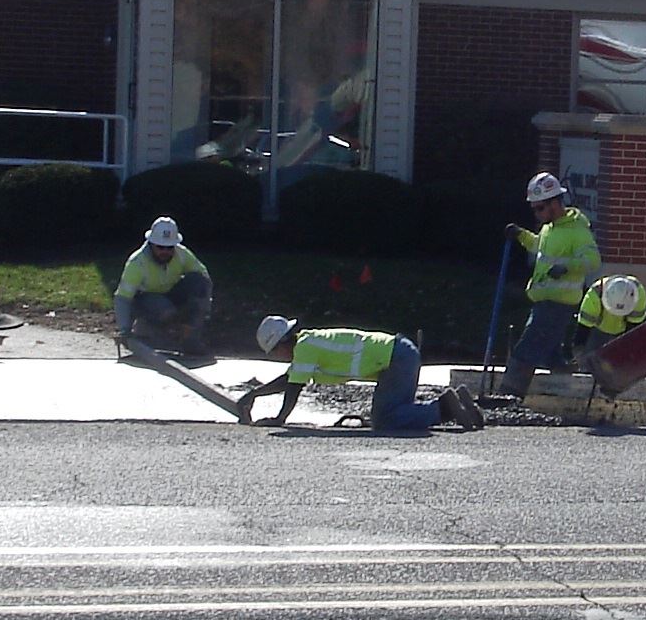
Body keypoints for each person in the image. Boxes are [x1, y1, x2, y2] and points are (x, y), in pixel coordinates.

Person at [241, 315, 483, 432]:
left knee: (385, 420)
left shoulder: (305, 348)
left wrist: (279, 419)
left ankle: (446, 407)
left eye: (275, 352)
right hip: (399, 353)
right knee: (395, 414)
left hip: (396, 358)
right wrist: (255, 394)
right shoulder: (307, 344)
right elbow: (290, 379)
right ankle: (459, 403)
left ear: (282, 343)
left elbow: (293, 386)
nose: (278, 357)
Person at [499, 171, 598, 396]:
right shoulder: (549, 228)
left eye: (540, 208)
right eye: (534, 208)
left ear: (555, 203)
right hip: (544, 300)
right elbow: (539, 247)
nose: (537, 213)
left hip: (558, 302)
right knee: (548, 345)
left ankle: (510, 392)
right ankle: (560, 369)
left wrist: (566, 267)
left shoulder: (577, 231)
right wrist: (521, 235)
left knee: (529, 346)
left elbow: (593, 260)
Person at [114, 216, 214, 356]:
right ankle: (150, 331)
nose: (165, 252)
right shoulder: (137, 263)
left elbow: (203, 278)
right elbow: (123, 298)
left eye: (169, 247)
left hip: (171, 296)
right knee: (164, 310)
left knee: (198, 281)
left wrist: (200, 311)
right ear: (151, 244)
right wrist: (124, 329)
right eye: (160, 247)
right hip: (146, 301)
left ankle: (190, 337)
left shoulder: (182, 254)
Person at [573, 273, 646, 367]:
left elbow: (634, 329)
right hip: (597, 331)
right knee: (590, 363)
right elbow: (583, 328)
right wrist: (579, 353)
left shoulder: (638, 293)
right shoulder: (595, 294)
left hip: (623, 331)